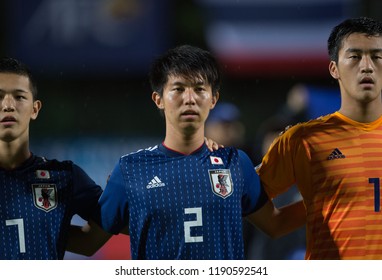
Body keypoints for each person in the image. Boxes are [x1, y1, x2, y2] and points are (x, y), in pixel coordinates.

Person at [89, 44, 305, 260]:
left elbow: (276, 224)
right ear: (159, 99)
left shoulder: (236, 163)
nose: (190, 98)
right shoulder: (130, 170)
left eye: (199, 89)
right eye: (179, 89)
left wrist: (326, 198)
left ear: (213, 99)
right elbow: (89, 242)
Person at [256, 16, 382, 260]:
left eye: (377, 56)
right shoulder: (302, 140)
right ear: (334, 69)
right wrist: (310, 209)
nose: (367, 66)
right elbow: (256, 205)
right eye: (355, 57)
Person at [0, 57, 104, 259]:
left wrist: (117, 197)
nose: (8, 106)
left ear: (35, 109)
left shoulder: (63, 176)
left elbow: (89, 243)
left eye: (20, 97)